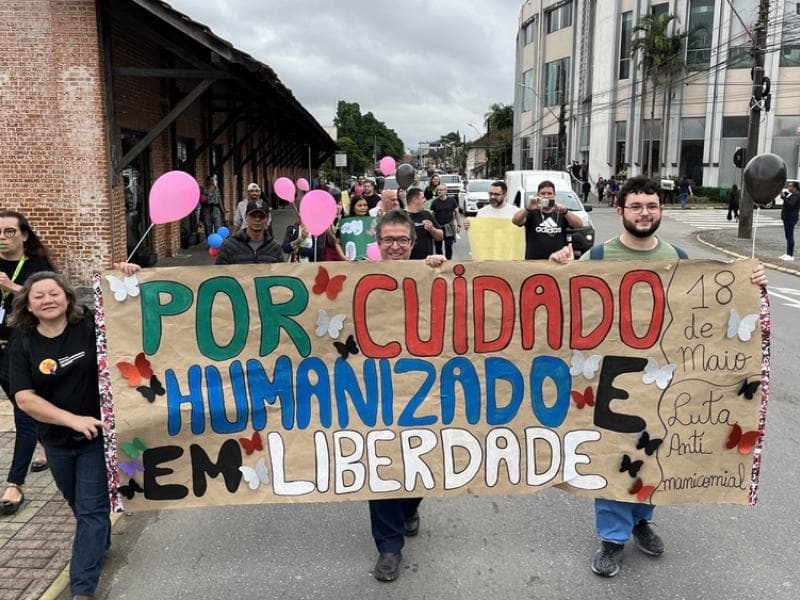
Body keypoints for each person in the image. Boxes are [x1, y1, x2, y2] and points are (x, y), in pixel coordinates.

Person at [549, 176, 768, 578]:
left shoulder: (679, 258)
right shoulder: (598, 255)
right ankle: (613, 538)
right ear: (621, 212)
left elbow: (712, 311)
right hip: (610, 379)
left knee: (655, 452)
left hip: (663, 379)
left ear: (660, 210)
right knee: (615, 455)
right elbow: (559, 297)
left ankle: (641, 519)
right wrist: (559, 266)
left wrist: (751, 285)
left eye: (651, 206)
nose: (645, 213)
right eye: (636, 206)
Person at [9, 266, 140, 600]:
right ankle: (98, 542)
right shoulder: (22, 342)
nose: (48, 300)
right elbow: (24, 398)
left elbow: (129, 313)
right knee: (79, 506)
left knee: (92, 511)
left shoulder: (89, 326)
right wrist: (71, 420)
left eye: (54, 293)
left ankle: (81, 589)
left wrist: (128, 275)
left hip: (97, 437)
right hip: (56, 441)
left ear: (67, 298)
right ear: (28, 305)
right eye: (39, 296)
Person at [369, 210, 445, 582]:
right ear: (378, 244)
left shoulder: (431, 274)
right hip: (375, 389)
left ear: (413, 244)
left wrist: (441, 269)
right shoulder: (357, 278)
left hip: (423, 389)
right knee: (381, 461)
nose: (395, 247)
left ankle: (409, 506)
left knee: (419, 458)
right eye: (388, 240)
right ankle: (388, 546)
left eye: (402, 240)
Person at [0, 211, 54, 515]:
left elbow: (50, 302)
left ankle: (14, 484)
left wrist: (12, 287)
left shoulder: (36, 267)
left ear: (23, 236)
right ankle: (46, 445)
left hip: (21, 350)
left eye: (10, 232)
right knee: (24, 410)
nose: (3, 238)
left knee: (24, 413)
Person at [511, 180, 584, 260]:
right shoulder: (531, 212)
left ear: (554, 195)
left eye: (549, 193)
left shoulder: (561, 211)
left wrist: (565, 211)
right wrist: (528, 208)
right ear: (538, 195)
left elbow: (579, 224)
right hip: (534, 261)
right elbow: (515, 221)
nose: (546, 196)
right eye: (543, 193)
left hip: (558, 259)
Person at [216, 202, 283, 264]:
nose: (257, 219)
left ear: (268, 219)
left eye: (261, 216)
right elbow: (219, 273)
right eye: (253, 216)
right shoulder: (229, 246)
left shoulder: (275, 247)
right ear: (245, 217)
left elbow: (281, 273)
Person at [405, 187, 443, 259]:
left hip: (426, 262)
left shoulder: (427, 214)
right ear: (415, 200)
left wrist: (432, 229)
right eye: (422, 198)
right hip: (408, 262)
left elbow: (440, 237)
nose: (425, 200)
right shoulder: (401, 216)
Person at [430, 183, 462, 259]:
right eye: (438, 190)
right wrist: (432, 228)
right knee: (438, 248)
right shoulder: (435, 202)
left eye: (441, 190)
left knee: (448, 247)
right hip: (438, 227)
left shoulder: (452, 201)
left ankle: (448, 263)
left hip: (449, 227)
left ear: (445, 191)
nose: (439, 192)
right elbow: (431, 215)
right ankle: (440, 263)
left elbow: (457, 213)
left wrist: (459, 225)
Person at [780, 180, 800, 261]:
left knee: (789, 236)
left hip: (790, 218)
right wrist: (784, 196)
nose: (788, 187)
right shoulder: (793, 194)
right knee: (788, 236)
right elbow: (788, 202)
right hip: (788, 217)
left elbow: (790, 205)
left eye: (790, 186)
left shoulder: (796, 195)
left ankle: (790, 255)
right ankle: (788, 253)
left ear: (794, 188)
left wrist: (784, 197)